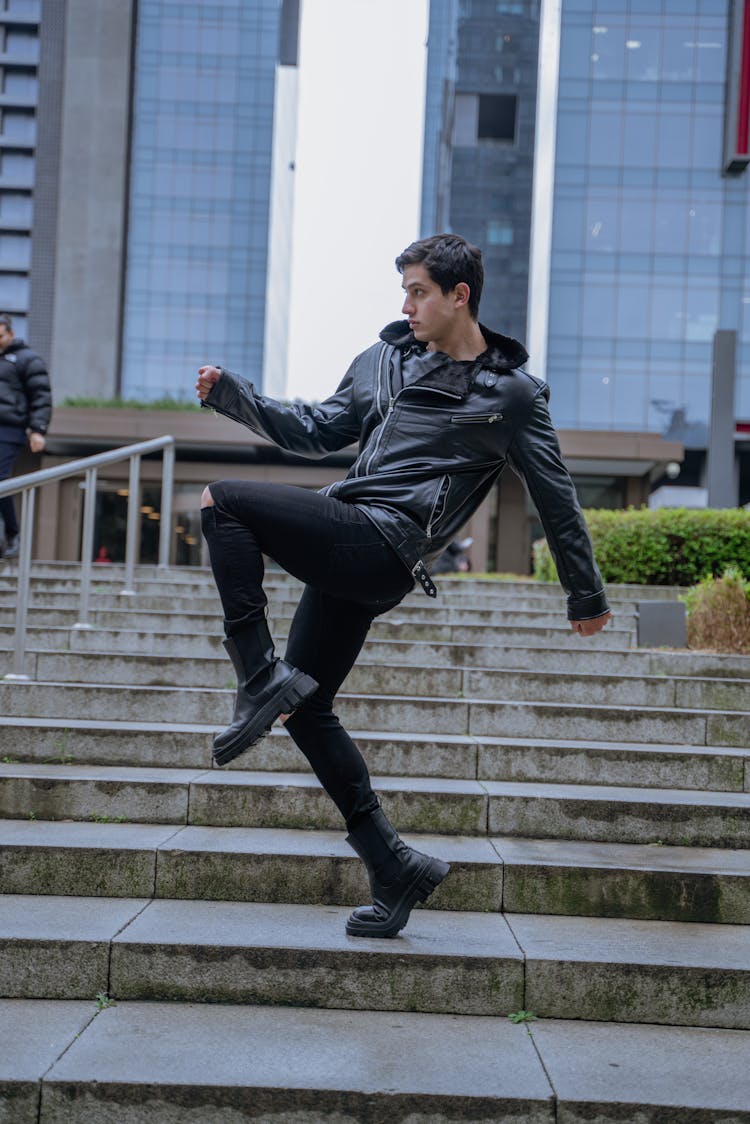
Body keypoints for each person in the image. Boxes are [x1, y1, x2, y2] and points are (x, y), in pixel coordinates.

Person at [196, 233, 611, 939]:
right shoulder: (384, 359)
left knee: (222, 500)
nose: (407, 305)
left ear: (460, 296)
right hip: (350, 530)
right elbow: (318, 428)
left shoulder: (508, 393)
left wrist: (586, 595)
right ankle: (393, 865)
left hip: (387, 544)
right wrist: (237, 397)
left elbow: (556, 494)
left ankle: (259, 673)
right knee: (309, 707)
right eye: (404, 291)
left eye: (419, 291)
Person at [0, 313, 52, 559]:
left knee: (0, 479)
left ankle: (12, 534)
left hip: (9, 429)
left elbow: (41, 396)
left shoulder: (26, 359)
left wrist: (38, 430)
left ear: (10, 334)